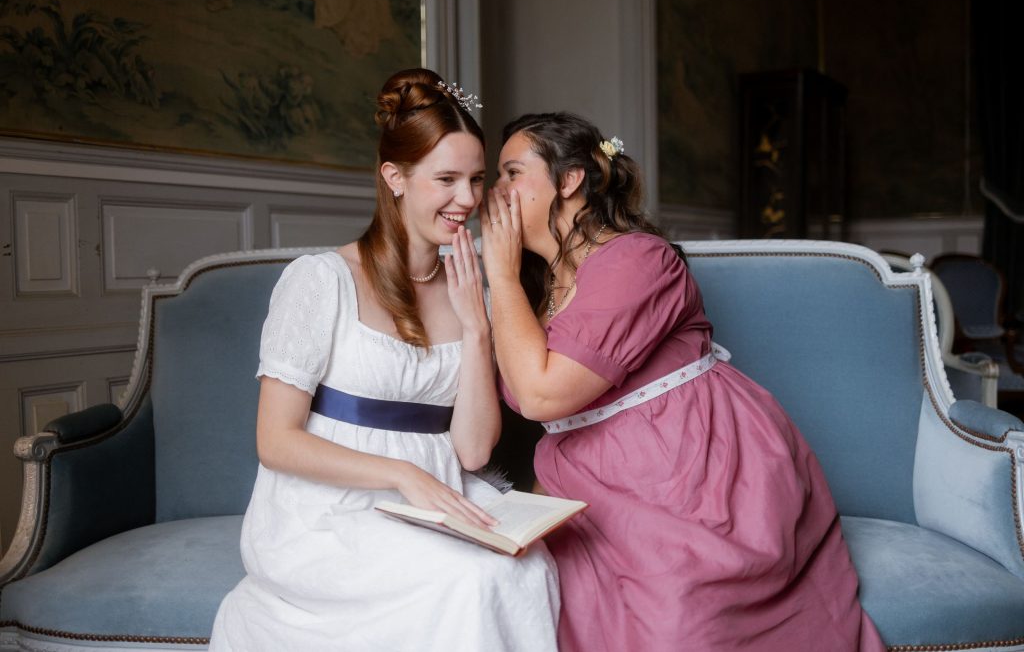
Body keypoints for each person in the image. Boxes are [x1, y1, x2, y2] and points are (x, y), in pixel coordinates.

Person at [480, 112, 885, 652]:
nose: (495, 191)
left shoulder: (637, 260)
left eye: (511, 173)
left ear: (570, 180)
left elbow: (539, 394)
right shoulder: (537, 292)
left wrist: (501, 275)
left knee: (674, 617)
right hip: (587, 478)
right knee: (512, 594)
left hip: (693, 472)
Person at [209, 70, 559, 651]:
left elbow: (472, 451)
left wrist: (476, 328)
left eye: (476, 179)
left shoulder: (477, 288)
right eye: (446, 179)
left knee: (529, 567)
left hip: (440, 494)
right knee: (471, 579)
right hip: (326, 513)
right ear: (394, 177)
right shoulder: (321, 281)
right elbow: (275, 441)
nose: (468, 200)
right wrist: (403, 475)